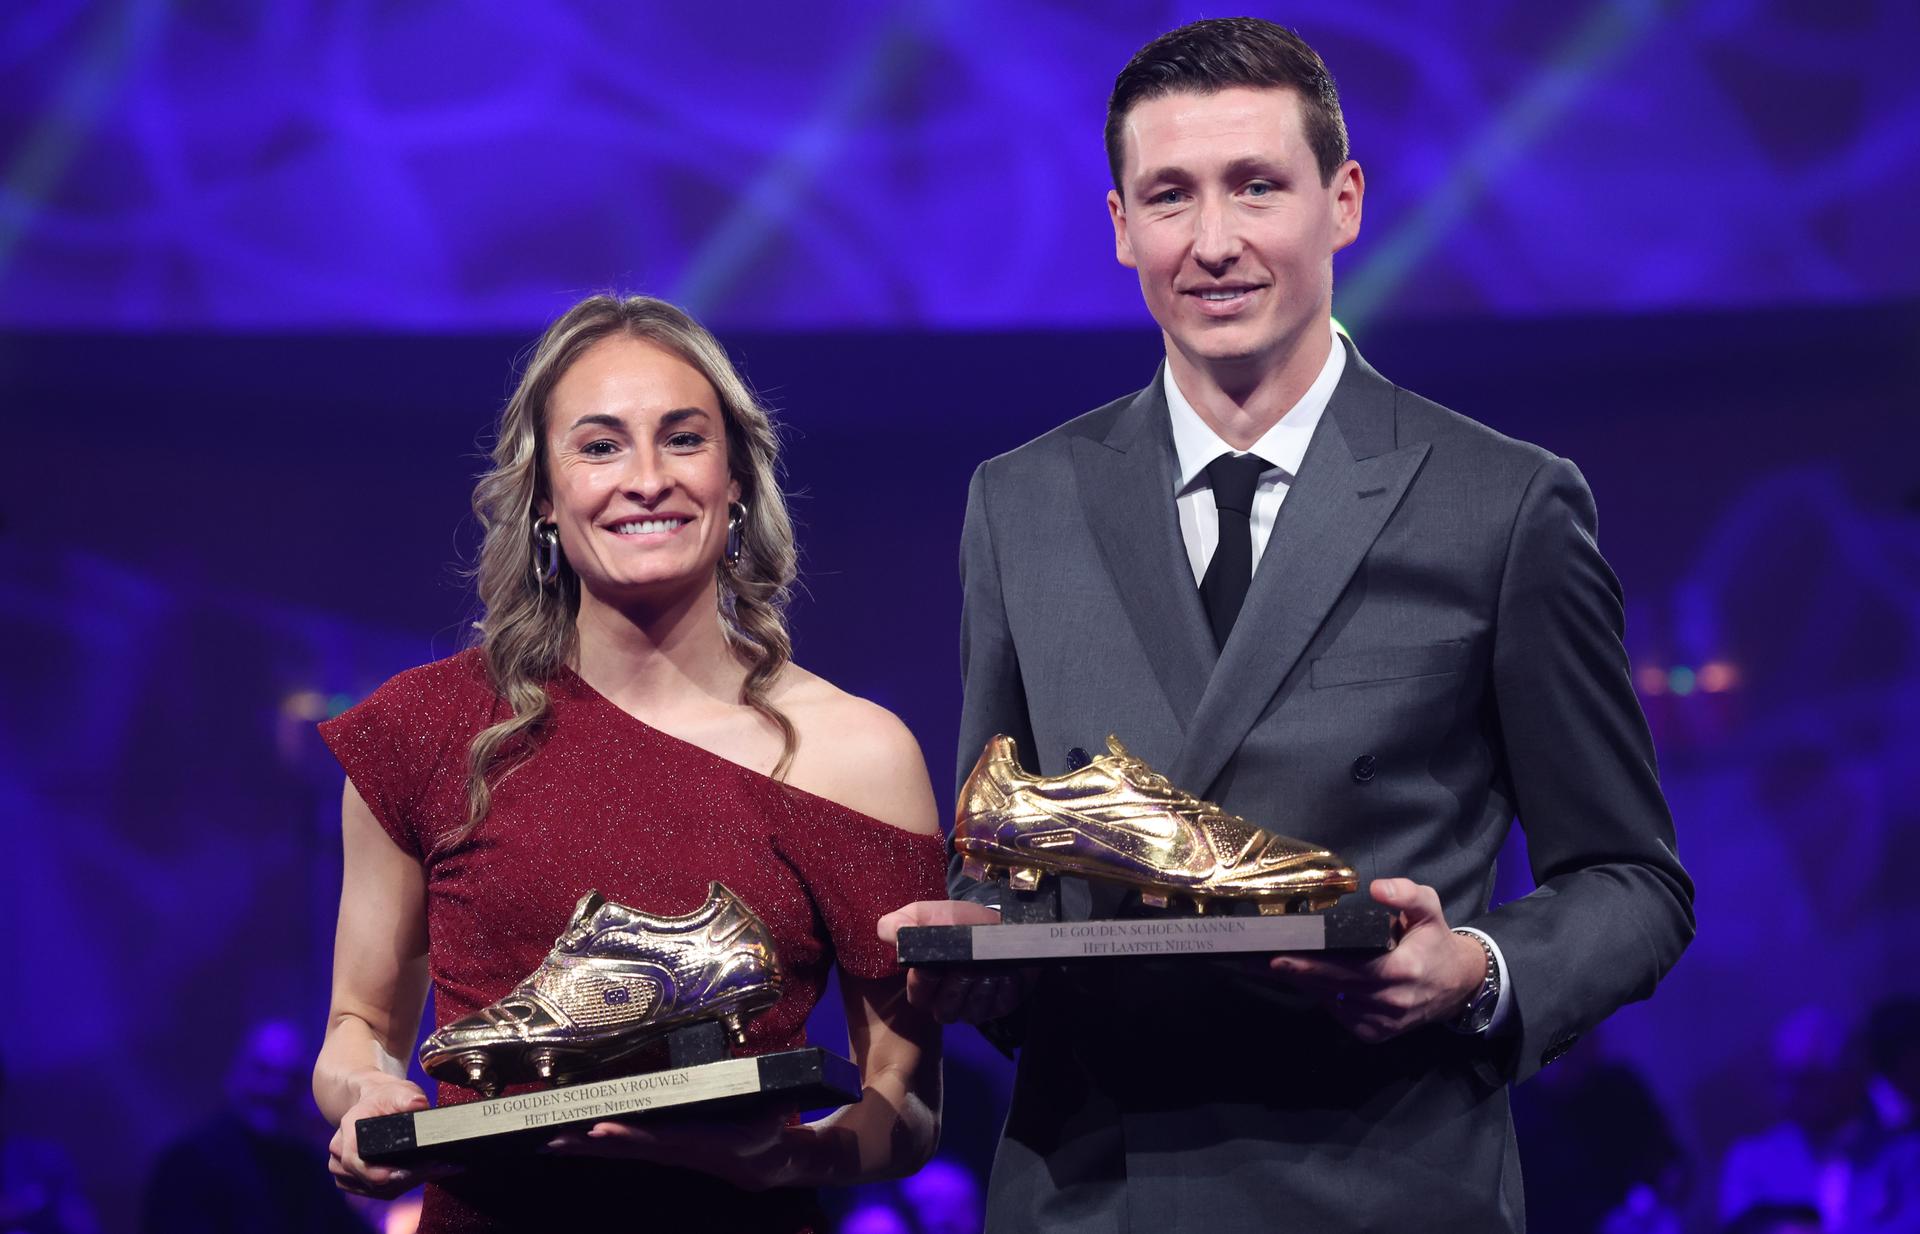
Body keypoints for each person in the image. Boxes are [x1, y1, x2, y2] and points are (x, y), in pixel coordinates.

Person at [879, 17, 1693, 1233]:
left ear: (1343, 202)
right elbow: (1002, 853)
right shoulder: (1022, 503)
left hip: (1384, 1180)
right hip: (1094, 1190)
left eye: (1256, 186)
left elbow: (1632, 879)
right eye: (1171, 196)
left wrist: (1477, 970)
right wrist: (975, 959)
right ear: (1120, 225)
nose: (1214, 242)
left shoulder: (1502, 503)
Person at [312, 295, 946, 1232]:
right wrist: (367, 1094)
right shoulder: (424, 728)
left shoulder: (856, 752)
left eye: (683, 439)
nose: (646, 480)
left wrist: (783, 1160)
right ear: (543, 493)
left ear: (736, 479)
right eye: (601, 446)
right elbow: (357, 1027)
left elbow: (908, 1102)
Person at [143, 1020, 369, 1234]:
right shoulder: (188, 1163)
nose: (275, 1088)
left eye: (290, 1077)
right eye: (263, 1072)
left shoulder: (309, 1168)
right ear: (236, 1075)